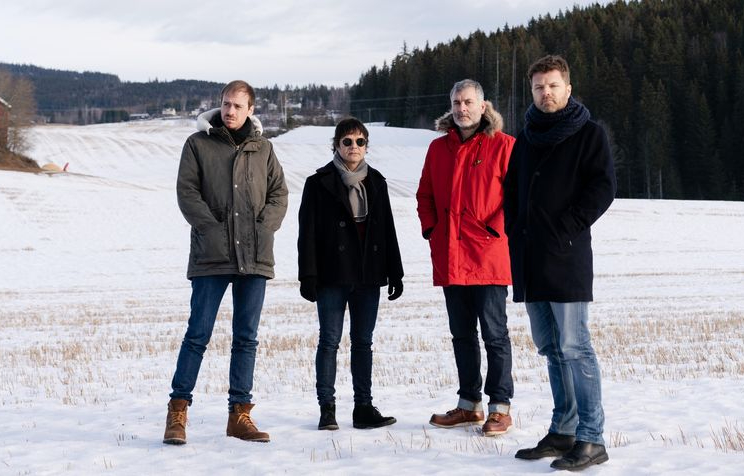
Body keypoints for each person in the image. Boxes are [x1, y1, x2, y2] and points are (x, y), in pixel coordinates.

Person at [504, 55, 616, 471]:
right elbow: (511, 188)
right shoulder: (527, 137)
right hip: (530, 259)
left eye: (552, 86)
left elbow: (603, 187)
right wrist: (515, 227)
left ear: (567, 88)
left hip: (566, 257)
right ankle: (563, 430)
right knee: (551, 348)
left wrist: (567, 226)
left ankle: (592, 438)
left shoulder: (589, 134)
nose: (545, 93)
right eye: (538, 87)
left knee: (575, 348)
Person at [163, 80, 288, 445]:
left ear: (251, 109)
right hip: (212, 253)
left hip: (254, 255)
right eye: (225, 104)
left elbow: (279, 192)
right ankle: (177, 412)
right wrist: (211, 228)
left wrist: (264, 228)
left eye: (237, 105)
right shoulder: (198, 144)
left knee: (246, 338)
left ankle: (240, 415)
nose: (230, 111)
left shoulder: (262, 149)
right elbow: (187, 192)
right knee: (198, 334)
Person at [416, 79, 515, 436]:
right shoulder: (437, 149)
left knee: (494, 334)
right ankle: (468, 404)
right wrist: (433, 230)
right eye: (456, 102)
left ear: (483, 105)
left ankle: (500, 407)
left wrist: (494, 231)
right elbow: (424, 195)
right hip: (450, 256)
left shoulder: (504, 146)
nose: (462, 108)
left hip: (488, 257)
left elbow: (516, 199)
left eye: (468, 102)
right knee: (461, 334)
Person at [298, 117, 403, 431]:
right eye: (347, 141)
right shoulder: (318, 183)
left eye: (360, 142)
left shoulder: (377, 181)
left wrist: (394, 273)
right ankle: (327, 409)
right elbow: (308, 234)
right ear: (336, 145)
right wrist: (308, 276)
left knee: (363, 342)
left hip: (367, 276)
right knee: (329, 342)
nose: (353, 147)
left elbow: (387, 230)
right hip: (332, 275)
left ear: (366, 146)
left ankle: (363, 407)